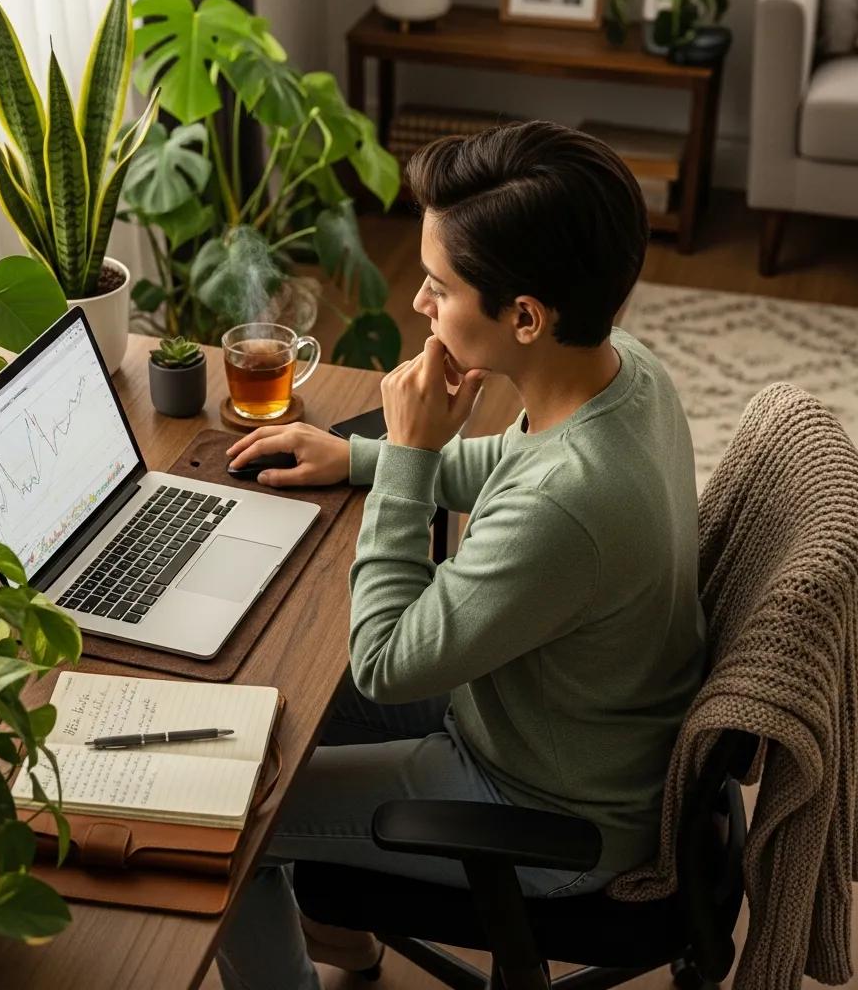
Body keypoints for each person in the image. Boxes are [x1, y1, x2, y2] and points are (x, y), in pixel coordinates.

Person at [216, 120, 706, 990]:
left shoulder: (572, 505)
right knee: (269, 704)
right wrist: (355, 456)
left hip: (538, 806)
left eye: (439, 287)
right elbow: (523, 465)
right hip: (545, 720)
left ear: (524, 316)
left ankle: (310, 952)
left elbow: (383, 662)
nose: (419, 304)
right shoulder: (625, 367)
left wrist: (406, 457)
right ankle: (345, 934)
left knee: (225, 818)